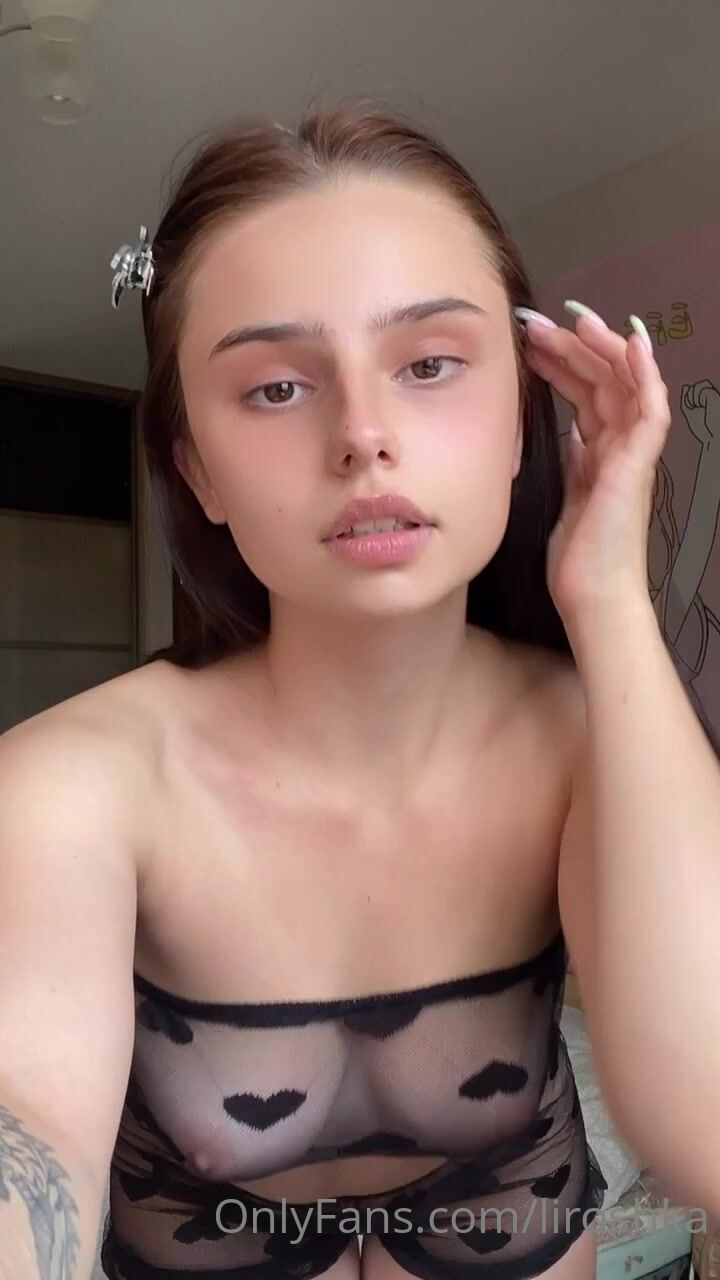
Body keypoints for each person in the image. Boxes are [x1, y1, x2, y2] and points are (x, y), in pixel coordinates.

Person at [2, 102, 720, 1280]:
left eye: (430, 364)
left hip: (512, 1209)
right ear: (198, 471)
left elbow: (708, 1128)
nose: (364, 435)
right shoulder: (69, 783)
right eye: (277, 388)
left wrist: (611, 597)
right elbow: (20, 1110)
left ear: (520, 423)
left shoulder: (590, 733)